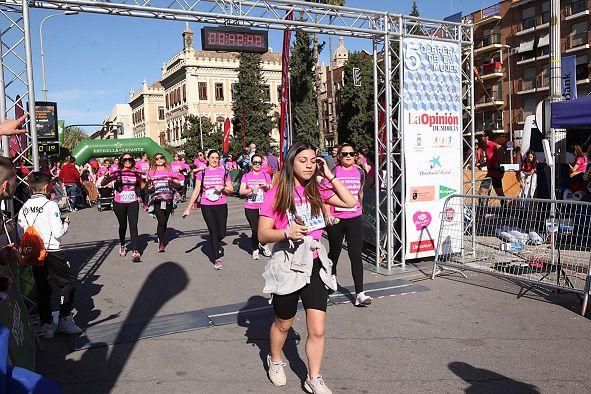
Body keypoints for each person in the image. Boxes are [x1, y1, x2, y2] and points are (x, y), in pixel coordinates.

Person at [258, 141, 356, 393]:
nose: (309, 165)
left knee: (318, 328)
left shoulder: (318, 190)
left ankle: (313, 377)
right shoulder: (278, 192)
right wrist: (285, 232)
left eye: (313, 160)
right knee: (284, 323)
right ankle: (275, 360)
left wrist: (330, 175)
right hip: (288, 264)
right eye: (303, 160)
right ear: (291, 162)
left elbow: (350, 202)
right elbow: (262, 234)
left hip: (313, 263)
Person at [17, 172, 83, 338]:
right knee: (68, 283)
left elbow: (20, 233)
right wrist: (66, 223)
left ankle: (46, 324)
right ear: (46, 187)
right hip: (52, 250)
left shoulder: (23, 207)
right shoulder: (50, 205)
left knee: (42, 288)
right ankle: (64, 317)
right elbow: (58, 232)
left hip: (34, 253)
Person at [326, 144, 372, 306]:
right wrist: (328, 214)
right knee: (335, 252)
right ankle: (330, 279)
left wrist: (360, 205)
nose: (348, 156)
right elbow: (325, 194)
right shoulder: (333, 172)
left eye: (351, 154)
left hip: (354, 217)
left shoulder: (360, 172)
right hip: (336, 218)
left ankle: (359, 293)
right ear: (338, 156)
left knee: (355, 254)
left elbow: (360, 191)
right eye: (344, 154)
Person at [183, 150, 233, 270]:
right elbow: (196, 191)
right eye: (212, 158)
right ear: (208, 159)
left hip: (221, 204)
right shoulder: (202, 173)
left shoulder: (224, 172)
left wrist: (223, 187)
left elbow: (231, 189)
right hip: (206, 205)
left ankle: (217, 241)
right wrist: (188, 208)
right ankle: (217, 259)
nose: (215, 160)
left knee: (222, 232)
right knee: (213, 232)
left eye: (217, 158)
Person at [102, 152, 144, 262]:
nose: (128, 161)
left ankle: (135, 250)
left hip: (133, 201)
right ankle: (122, 244)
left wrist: (146, 180)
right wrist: (106, 177)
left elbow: (143, 186)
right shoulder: (117, 172)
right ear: (121, 161)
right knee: (123, 226)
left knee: (133, 225)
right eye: (125, 160)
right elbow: (103, 183)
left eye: (130, 159)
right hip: (119, 202)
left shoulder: (136, 172)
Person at [239, 154, 272, 260]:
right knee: (255, 229)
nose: (257, 165)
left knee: (264, 228)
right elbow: (241, 191)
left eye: (259, 163)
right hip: (250, 207)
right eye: (255, 163)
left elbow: (272, 187)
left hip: (264, 206)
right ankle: (256, 248)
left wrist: (266, 185)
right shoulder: (246, 176)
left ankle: (262, 244)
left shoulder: (265, 175)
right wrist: (251, 189)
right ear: (251, 164)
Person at [146, 154, 181, 252]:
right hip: (157, 199)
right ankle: (161, 242)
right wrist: (151, 188)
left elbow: (178, 184)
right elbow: (149, 187)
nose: (159, 160)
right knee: (161, 221)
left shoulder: (169, 170)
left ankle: (160, 234)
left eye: (161, 158)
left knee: (164, 222)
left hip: (168, 199)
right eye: (157, 159)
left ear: (164, 159)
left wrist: (172, 181)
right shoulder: (152, 171)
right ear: (154, 161)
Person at [477, 133, 505, 200]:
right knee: (482, 192)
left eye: (482, 139)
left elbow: (501, 148)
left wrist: (498, 161)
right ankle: (482, 209)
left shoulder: (490, 144)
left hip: (494, 172)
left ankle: (504, 207)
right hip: (491, 172)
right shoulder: (486, 147)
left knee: (499, 193)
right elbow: (489, 161)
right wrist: (481, 165)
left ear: (486, 137)